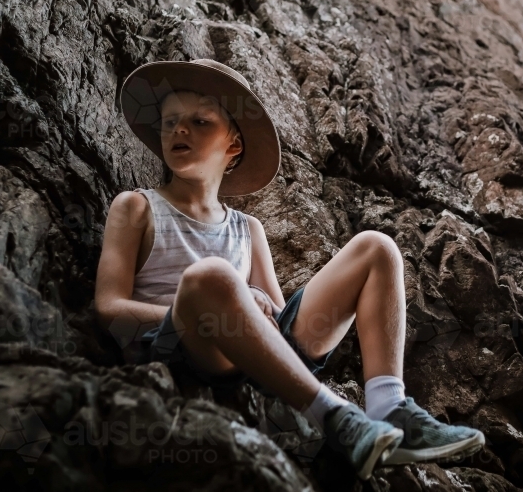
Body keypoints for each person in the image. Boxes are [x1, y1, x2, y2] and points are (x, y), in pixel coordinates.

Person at [95, 58, 484, 480]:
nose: (180, 131)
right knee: (213, 276)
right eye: (170, 122)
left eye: (200, 122)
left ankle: (390, 406)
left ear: (234, 145)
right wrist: (203, 307)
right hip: (184, 351)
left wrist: (255, 306)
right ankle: (334, 417)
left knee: (378, 247)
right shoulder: (136, 206)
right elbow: (110, 308)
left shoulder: (248, 229)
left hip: (254, 357)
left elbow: (281, 329)